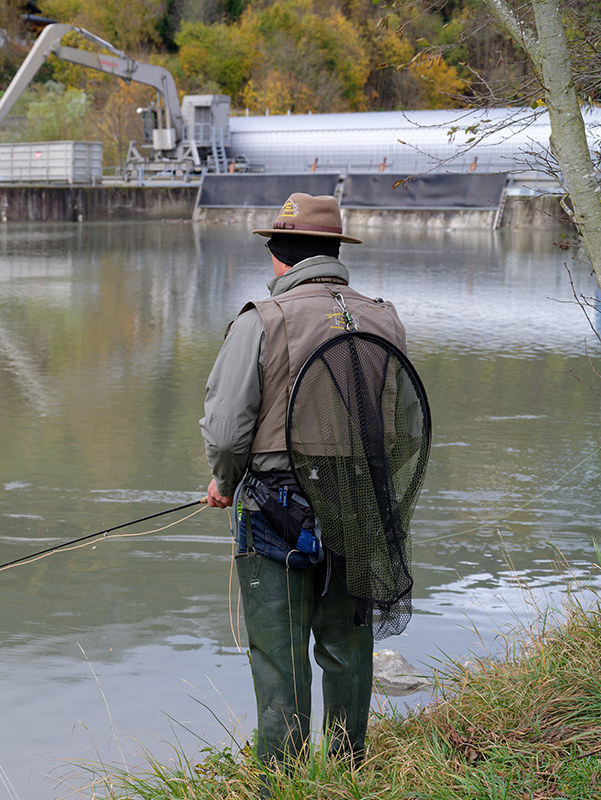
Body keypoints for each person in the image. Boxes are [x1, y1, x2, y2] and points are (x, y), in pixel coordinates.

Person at [199, 193, 407, 770]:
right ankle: (346, 769)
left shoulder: (261, 319)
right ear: (334, 251)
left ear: (277, 255)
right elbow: (401, 423)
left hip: (274, 509)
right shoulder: (384, 317)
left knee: (280, 654)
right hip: (360, 503)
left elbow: (227, 431)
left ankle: (281, 778)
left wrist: (223, 482)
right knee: (347, 644)